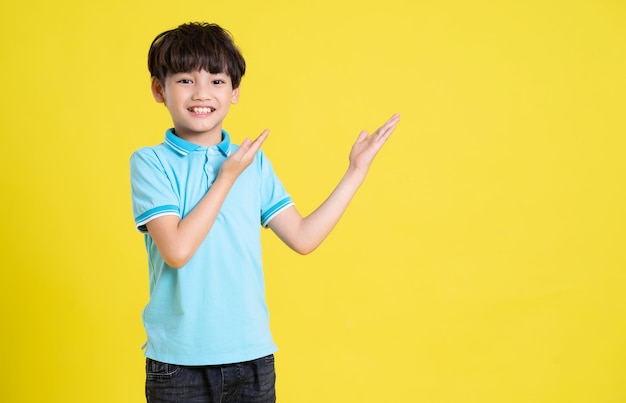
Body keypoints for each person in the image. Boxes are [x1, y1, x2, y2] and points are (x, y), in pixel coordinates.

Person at [130, 22, 400, 403]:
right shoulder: (151, 162)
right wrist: (226, 178)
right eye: (185, 81)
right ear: (160, 89)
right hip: (179, 364)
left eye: (217, 81)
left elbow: (304, 238)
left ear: (235, 91)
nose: (202, 93)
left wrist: (356, 171)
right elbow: (176, 250)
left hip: (251, 357)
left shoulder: (252, 164)